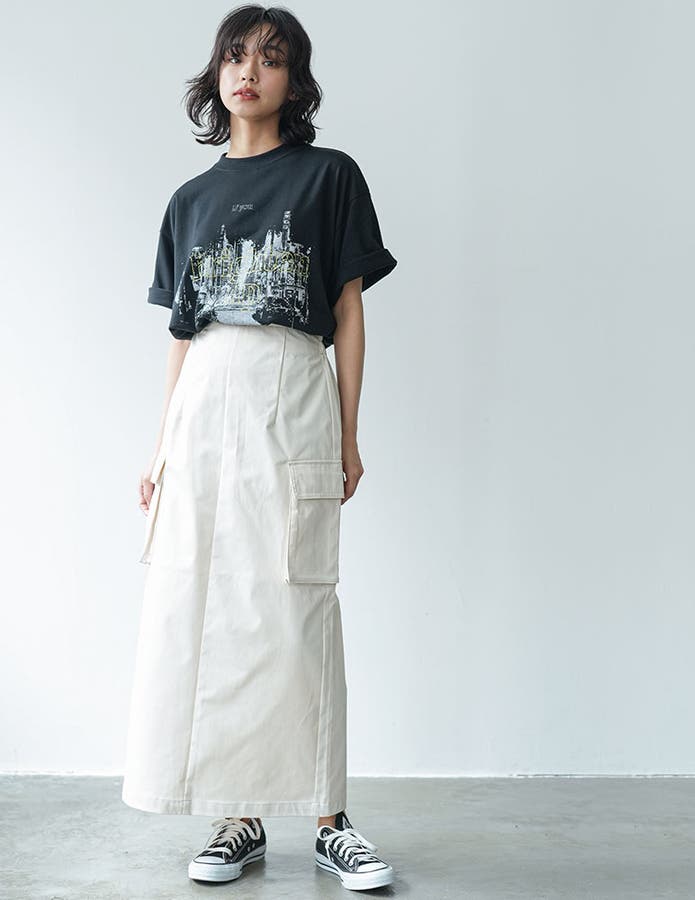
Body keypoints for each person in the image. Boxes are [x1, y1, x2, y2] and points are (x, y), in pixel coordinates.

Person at [120, 5, 398, 891]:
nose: (250, 71)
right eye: (236, 56)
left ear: (294, 80)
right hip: (203, 404)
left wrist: (349, 433)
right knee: (206, 603)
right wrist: (161, 448)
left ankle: (329, 819)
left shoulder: (328, 177)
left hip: (291, 393)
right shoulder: (188, 200)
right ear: (217, 73)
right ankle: (237, 818)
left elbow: (348, 313)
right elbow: (182, 334)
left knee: (296, 596)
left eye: (272, 59)